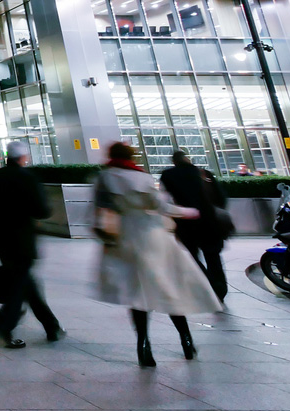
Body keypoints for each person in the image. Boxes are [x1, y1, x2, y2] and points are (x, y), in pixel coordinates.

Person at [95, 142, 223, 367]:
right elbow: (161, 206)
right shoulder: (142, 177)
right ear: (131, 157)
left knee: (138, 294)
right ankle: (186, 339)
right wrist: (189, 212)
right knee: (168, 287)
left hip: (126, 237)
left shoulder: (104, 178)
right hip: (153, 236)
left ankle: (143, 346)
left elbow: (100, 210)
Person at [0, 141, 64, 349]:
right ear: (23, 158)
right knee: (20, 285)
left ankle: (52, 326)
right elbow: (41, 209)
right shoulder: (27, 178)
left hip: (0, 239)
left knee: (26, 283)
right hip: (22, 238)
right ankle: (3, 328)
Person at [160, 151, 229, 301]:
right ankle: (220, 289)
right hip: (210, 222)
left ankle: (207, 284)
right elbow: (220, 198)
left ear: (174, 162)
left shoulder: (168, 175)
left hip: (186, 222)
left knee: (193, 256)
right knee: (213, 257)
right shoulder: (204, 173)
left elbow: (165, 201)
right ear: (187, 159)